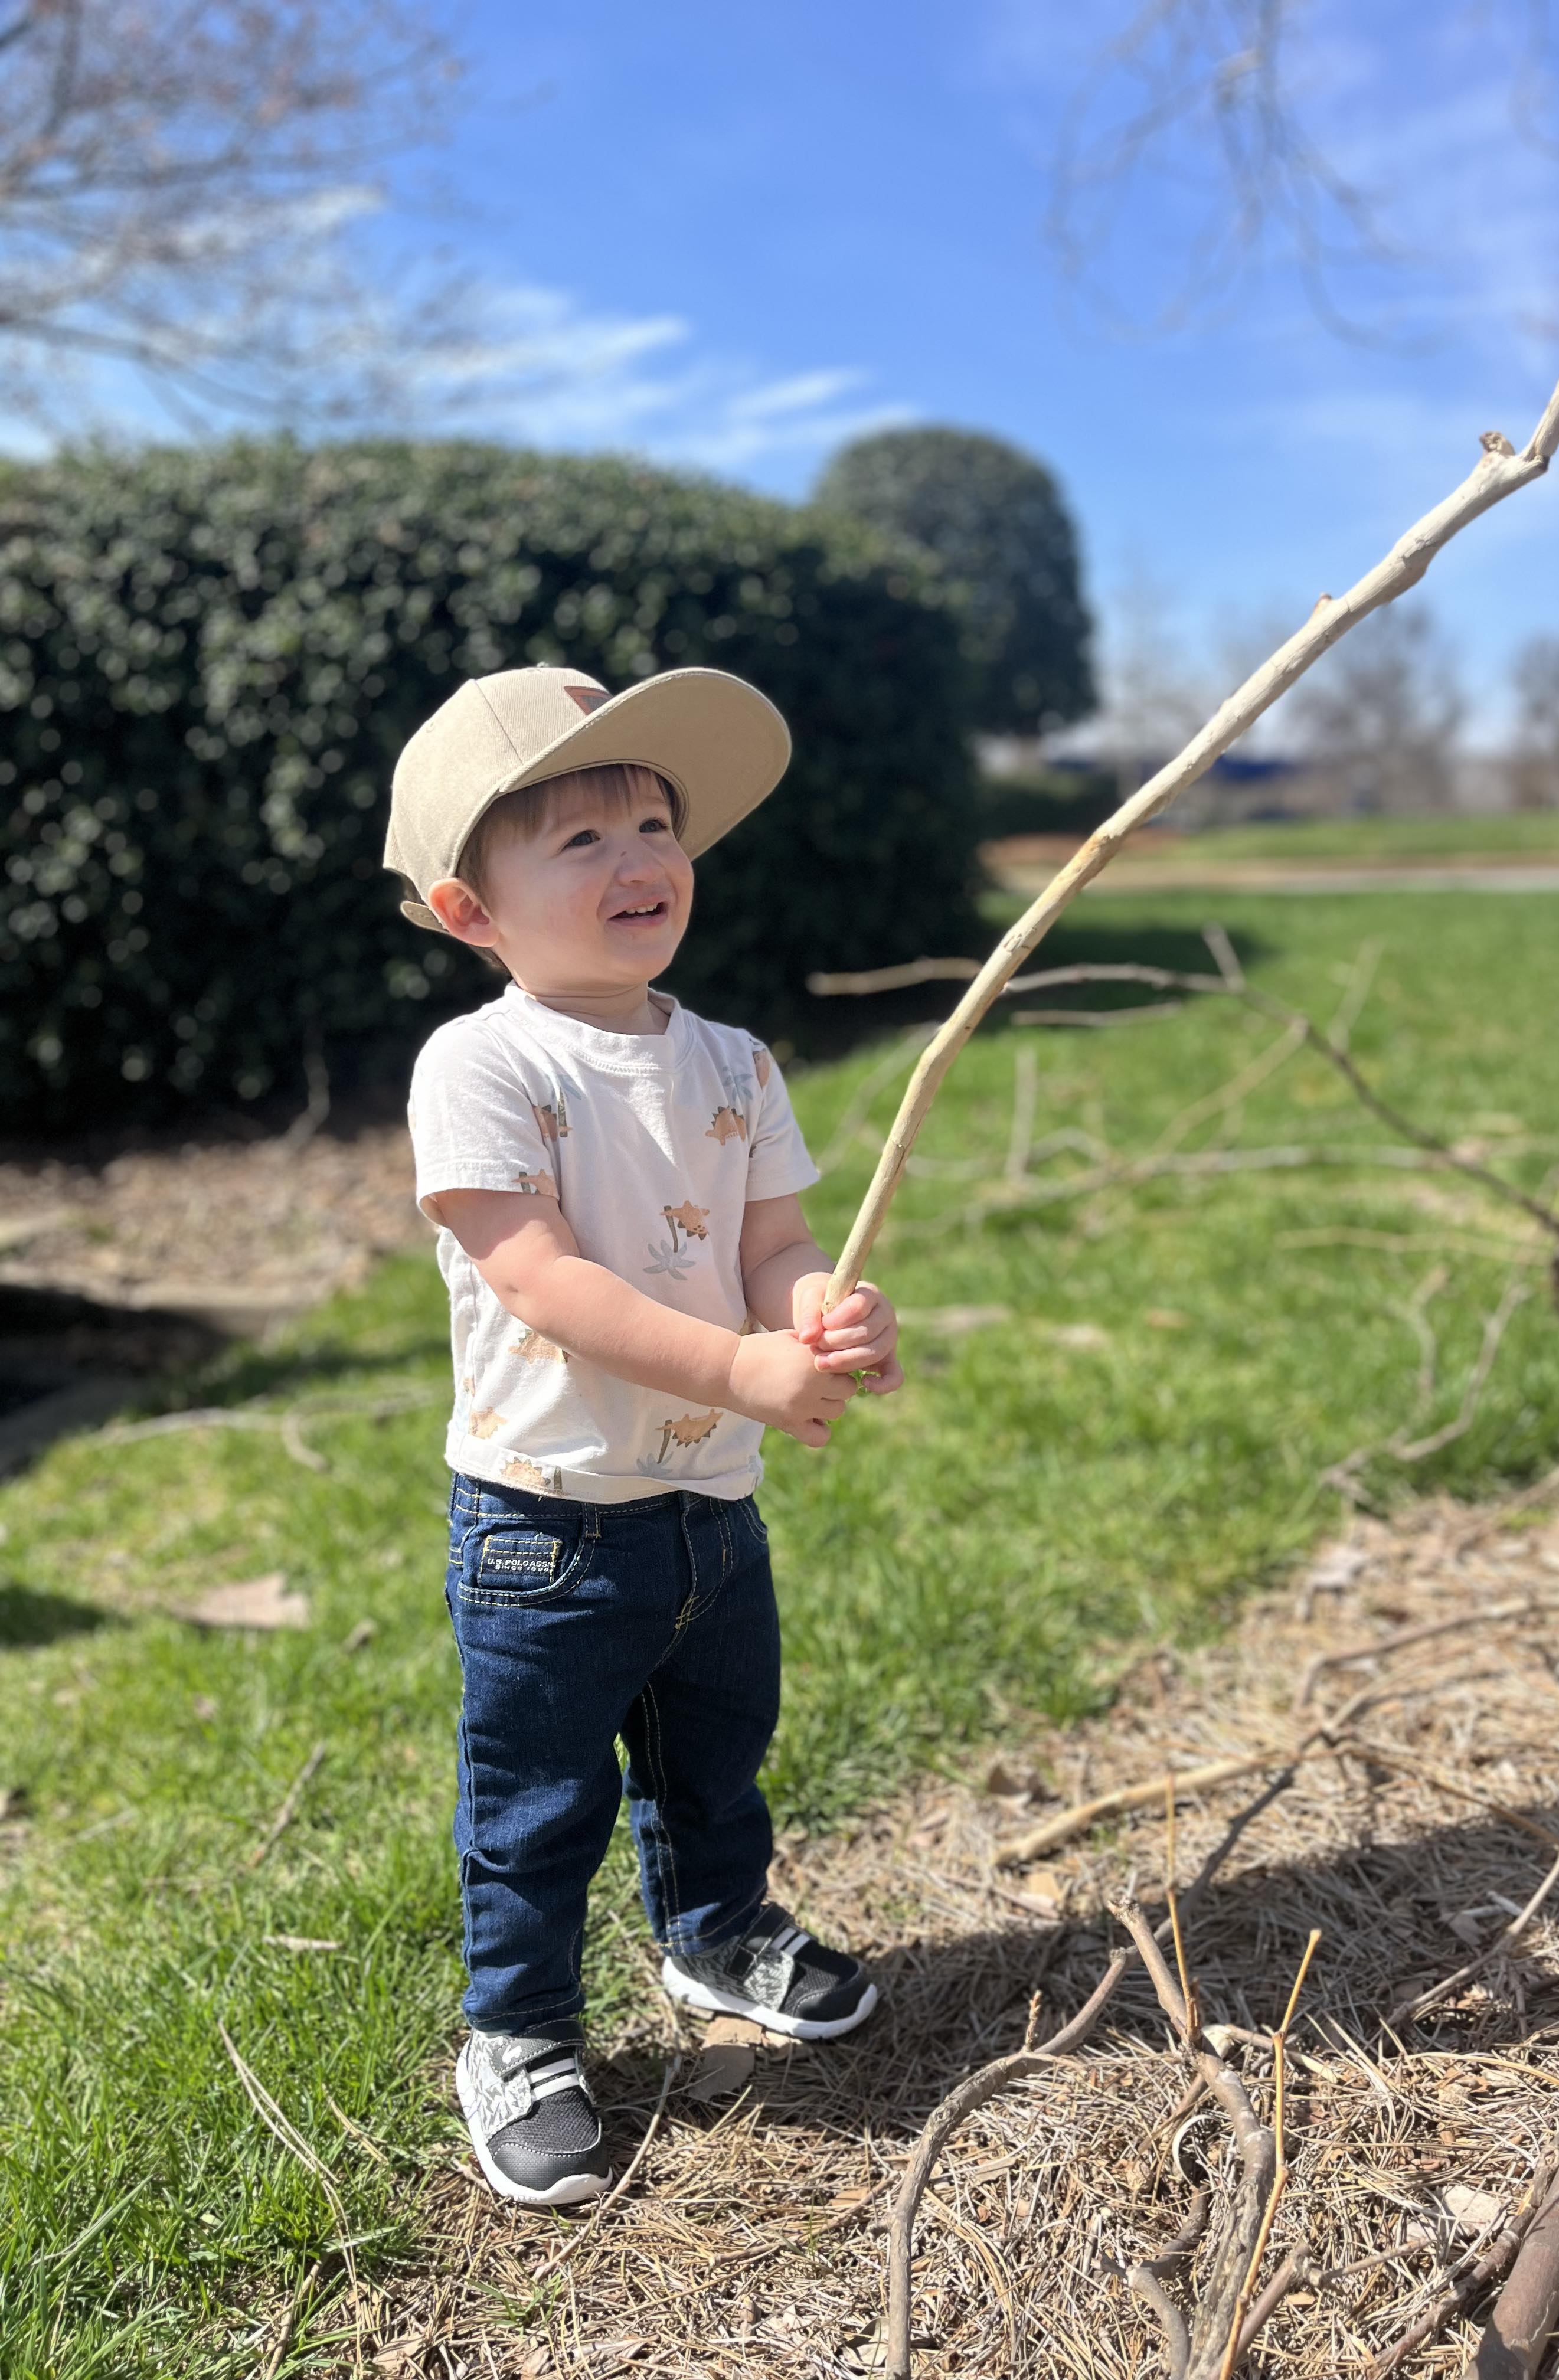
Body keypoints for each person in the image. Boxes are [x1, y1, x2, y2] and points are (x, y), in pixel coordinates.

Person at [385, 662, 903, 2208]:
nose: (638, 859)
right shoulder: (485, 1067)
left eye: (654, 820)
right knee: (539, 1800)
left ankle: (715, 1930)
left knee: (715, 1755)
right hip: (548, 1521)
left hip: (707, 1507)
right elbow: (540, 1281)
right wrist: (740, 1367)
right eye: (580, 836)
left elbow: (774, 1246)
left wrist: (815, 1316)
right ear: (471, 909)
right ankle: (522, 2029)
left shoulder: (733, 1060)